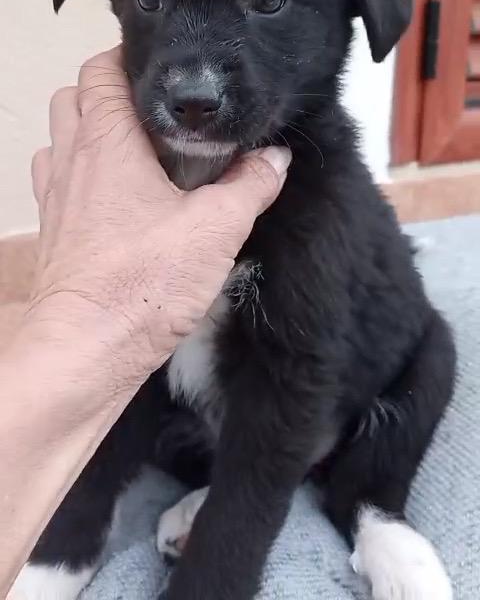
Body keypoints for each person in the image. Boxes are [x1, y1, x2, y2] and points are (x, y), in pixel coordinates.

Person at [0, 46, 291, 597]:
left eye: (267, 1)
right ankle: (66, 547)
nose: (196, 84)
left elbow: (296, 393)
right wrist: (81, 314)